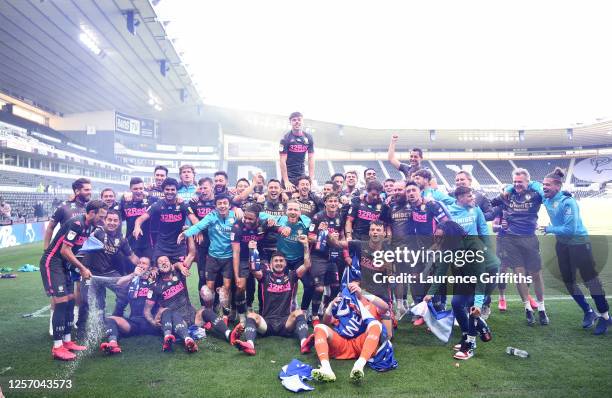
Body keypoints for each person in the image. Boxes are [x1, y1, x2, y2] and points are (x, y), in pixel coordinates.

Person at [540, 168, 610, 334]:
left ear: (558, 186)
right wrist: (509, 190)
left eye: (547, 185)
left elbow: (570, 230)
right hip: (562, 245)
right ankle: (588, 312)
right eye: (543, 184)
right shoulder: (546, 196)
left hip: (579, 244)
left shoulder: (568, 202)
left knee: (591, 281)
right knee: (568, 281)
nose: (543, 187)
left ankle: (605, 317)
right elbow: (532, 185)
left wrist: (549, 229)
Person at [39, 200, 107, 360]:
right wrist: (82, 268)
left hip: (64, 264)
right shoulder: (77, 223)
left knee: (70, 300)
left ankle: (67, 341)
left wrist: (78, 266)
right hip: (52, 262)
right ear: (91, 213)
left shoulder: (91, 226)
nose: (102, 220)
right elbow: (65, 250)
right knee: (61, 301)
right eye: (101, 216)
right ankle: (57, 347)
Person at [233, 236, 314, 356]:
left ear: (285, 263)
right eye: (276, 261)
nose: (279, 263)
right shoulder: (265, 276)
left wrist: (306, 246)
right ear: (271, 264)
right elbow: (253, 269)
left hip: (285, 323)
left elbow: (307, 265)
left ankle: (304, 343)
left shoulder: (292, 276)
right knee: (251, 315)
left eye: (281, 261)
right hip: (267, 323)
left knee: (299, 313)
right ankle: (250, 344)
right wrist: (251, 251)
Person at [423, 220, 492, 361]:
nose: (437, 240)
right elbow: (440, 273)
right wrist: (430, 293)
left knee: (473, 308)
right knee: (456, 303)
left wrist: (478, 305)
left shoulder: (473, 246)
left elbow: (481, 279)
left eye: (441, 237)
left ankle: (470, 346)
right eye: (436, 236)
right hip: (466, 276)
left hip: (487, 275)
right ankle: (468, 334)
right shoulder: (447, 248)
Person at [491, 168, 549, 326]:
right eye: (514, 182)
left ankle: (542, 308)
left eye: (520, 182)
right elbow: (490, 204)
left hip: (530, 239)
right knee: (519, 275)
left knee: (536, 274)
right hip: (510, 240)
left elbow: (548, 194)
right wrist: (502, 193)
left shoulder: (536, 195)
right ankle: (527, 308)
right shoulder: (508, 194)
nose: (517, 184)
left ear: (527, 182)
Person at [312, 282, 389, 383]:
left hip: (363, 343)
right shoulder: (344, 305)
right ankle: (326, 368)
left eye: (355, 286)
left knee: (376, 325)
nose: (352, 288)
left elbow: (385, 307)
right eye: (350, 287)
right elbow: (326, 323)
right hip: (342, 343)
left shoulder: (371, 304)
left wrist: (363, 293)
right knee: (319, 327)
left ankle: (359, 365)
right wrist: (331, 305)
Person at [43, 178, 92, 336]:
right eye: (86, 189)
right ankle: (53, 322)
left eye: (90, 189)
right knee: (59, 290)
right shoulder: (64, 207)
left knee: (78, 288)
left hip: (80, 256)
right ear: (77, 191)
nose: (89, 192)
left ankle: (73, 319)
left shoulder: (89, 208)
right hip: (64, 255)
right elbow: (50, 227)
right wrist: (46, 247)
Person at [328, 221, 394, 338]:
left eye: (378, 230)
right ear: (369, 232)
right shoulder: (359, 245)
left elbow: (391, 278)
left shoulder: (389, 252)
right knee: (358, 332)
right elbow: (338, 244)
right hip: (362, 293)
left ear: (384, 233)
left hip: (380, 296)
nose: (375, 232)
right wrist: (331, 238)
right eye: (372, 230)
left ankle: (384, 317)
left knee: (388, 336)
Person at [77, 209, 139, 332]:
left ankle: (116, 316)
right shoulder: (97, 232)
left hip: (108, 273)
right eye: (109, 220)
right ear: (104, 220)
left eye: (115, 220)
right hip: (91, 273)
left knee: (126, 290)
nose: (112, 223)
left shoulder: (121, 239)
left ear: (119, 222)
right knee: (85, 301)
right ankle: (81, 328)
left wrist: (145, 266)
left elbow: (132, 257)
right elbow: (82, 249)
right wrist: (81, 268)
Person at [178, 194, 236, 319]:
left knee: (226, 288)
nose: (222, 206)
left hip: (228, 258)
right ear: (215, 206)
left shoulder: (234, 216)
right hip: (212, 258)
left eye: (225, 203)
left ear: (229, 205)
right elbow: (199, 225)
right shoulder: (211, 216)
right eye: (219, 203)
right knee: (208, 289)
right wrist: (185, 234)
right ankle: (209, 313)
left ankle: (225, 315)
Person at [100, 257, 158, 354]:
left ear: (150, 267)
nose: (140, 265)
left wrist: (155, 270)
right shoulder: (133, 280)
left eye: (144, 263)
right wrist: (134, 274)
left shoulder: (155, 279)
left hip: (150, 322)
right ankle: (113, 344)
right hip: (134, 323)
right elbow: (119, 284)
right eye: (139, 263)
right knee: (110, 319)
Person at [133, 178, 197, 266]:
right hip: (161, 247)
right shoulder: (157, 205)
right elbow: (140, 218)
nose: (170, 192)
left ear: (176, 191)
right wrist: (137, 227)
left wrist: (198, 231)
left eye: (172, 190)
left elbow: (194, 219)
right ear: (163, 190)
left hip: (178, 247)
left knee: (180, 275)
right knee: (159, 275)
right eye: (167, 189)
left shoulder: (183, 205)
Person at [143, 256, 199, 353]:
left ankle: (229, 334)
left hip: (191, 314)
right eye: (160, 262)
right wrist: (152, 322)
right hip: (175, 320)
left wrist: (180, 266)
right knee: (168, 312)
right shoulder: (155, 286)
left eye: (166, 261)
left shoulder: (179, 273)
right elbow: (147, 310)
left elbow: (185, 260)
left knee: (206, 303)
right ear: (157, 268)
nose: (164, 263)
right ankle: (186, 339)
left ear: (171, 264)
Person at [231, 203, 274, 323]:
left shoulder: (263, 224)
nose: (247, 220)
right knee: (240, 287)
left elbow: (277, 227)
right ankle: (241, 315)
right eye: (245, 217)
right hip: (243, 259)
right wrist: (236, 276)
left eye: (251, 219)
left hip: (260, 258)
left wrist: (280, 227)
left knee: (265, 281)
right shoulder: (237, 227)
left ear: (258, 219)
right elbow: (236, 253)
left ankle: (261, 310)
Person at [307, 193, 346, 322]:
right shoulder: (318, 217)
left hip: (333, 257)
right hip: (318, 256)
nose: (333, 203)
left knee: (335, 286)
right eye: (330, 201)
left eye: (335, 201)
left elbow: (341, 236)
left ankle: (326, 311)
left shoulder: (340, 217)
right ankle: (314, 315)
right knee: (319, 287)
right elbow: (310, 236)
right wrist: (324, 237)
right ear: (325, 203)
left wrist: (341, 244)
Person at [188, 177, 216, 305]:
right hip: (201, 243)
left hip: (217, 243)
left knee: (217, 276)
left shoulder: (219, 201)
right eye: (201, 188)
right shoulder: (194, 202)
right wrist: (197, 228)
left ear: (212, 187)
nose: (203, 190)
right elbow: (190, 215)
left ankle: (217, 306)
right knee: (202, 275)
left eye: (206, 187)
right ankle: (204, 307)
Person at [120, 177, 157, 262]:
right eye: (135, 189)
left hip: (148, 244)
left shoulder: (151, 200)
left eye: (141, 188)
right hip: (131, 243)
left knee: (148, 271)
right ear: (130, 189)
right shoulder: (125, 201)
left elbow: (164, 200)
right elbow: (118, 219)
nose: (139, 191)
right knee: (130, 271)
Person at [279, 111, 315, 191]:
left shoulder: (308, 137)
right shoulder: (285, 139)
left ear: (302, 121)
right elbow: (282, 161)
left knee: (304, 199)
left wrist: (311, 179)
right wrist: (286, 181)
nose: (297, 122)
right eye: (294, 120)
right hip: (289, 175)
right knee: (288, 200)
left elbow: (311, 159)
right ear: (290, 122)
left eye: (299, 119)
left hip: (301, 174)